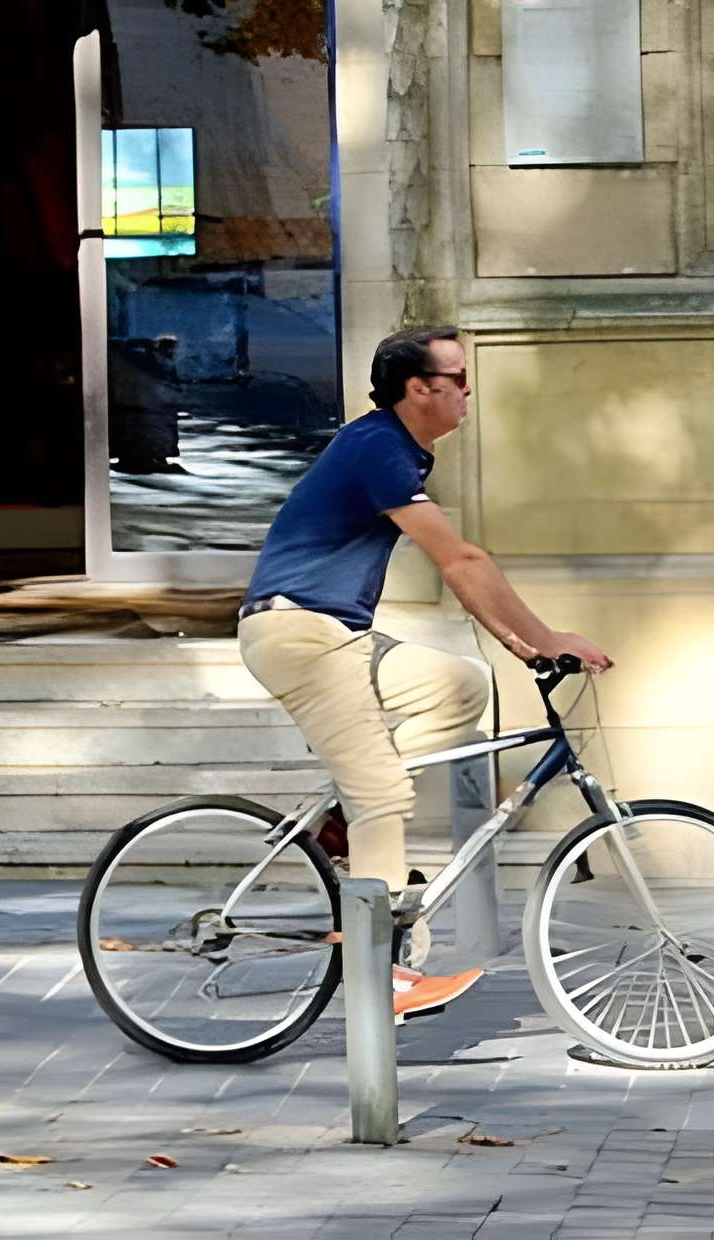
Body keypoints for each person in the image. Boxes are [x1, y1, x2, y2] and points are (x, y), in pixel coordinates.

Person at [236, 323, 614, 1019]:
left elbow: (467, 569)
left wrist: (517, 642)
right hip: (299, 632)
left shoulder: (397, 449)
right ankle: (381, 976)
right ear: (419, 388)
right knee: (382, 794)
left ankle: (341, 819)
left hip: (334, 633)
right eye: (458, 379)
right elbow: (462, 561)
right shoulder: (380, 446)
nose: (470, 392)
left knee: (459, 685)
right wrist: (541, 635)